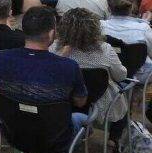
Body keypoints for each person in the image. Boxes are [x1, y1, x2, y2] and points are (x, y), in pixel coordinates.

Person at [0, 6, 88, 153]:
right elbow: (80, 102)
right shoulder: (68, 66)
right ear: (52, 33)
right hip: (54, 135)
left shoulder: (1, 58)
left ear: (23, 30)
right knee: (83, 121)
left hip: (13, 130)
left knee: (47, 124)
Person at [52, 9, 128, 144]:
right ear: (94, 28)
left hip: (61, 100)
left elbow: (49, 74)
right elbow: (121, 75)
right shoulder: (105, 49)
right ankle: (113, 139)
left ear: (63, 28)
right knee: (122, 93)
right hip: (97, 99)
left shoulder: (54, 49)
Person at [101, 0, 152, 81]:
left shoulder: (100, 26)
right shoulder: (143, 28)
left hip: (108, 74)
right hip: (139, 76)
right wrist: (144, 23)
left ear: (108, 7)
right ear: (133, 7)